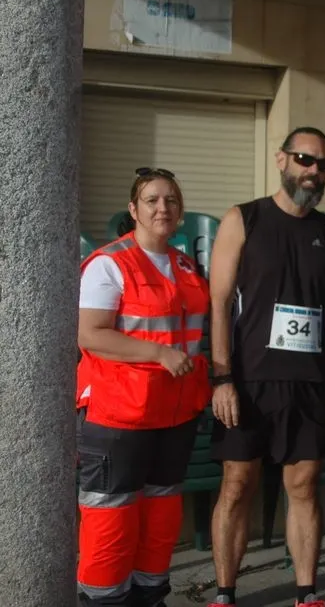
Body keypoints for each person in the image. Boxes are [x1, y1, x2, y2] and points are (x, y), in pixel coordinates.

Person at [206, 127, 325, 607]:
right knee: (237, 485)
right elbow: (219, 302)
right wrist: (222, 377)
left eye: (322, 164)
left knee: (304, 486)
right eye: (305, 159)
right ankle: (224, 595)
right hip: (248, 381)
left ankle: (307, 595)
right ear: (281, 159)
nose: (313, 170)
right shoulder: (243, 218)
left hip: (310, 383)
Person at [76, 167, 211, 606]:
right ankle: (104, 601)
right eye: (152, 200)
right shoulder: (110, 264)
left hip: (175, 414)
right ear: (133, 209)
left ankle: (151, 598)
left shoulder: (186, 266)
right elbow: (90, 334)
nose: (162, 208)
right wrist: (158, 354)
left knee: (160, 518)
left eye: (171, 200)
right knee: (110, 521)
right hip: (119, 416)